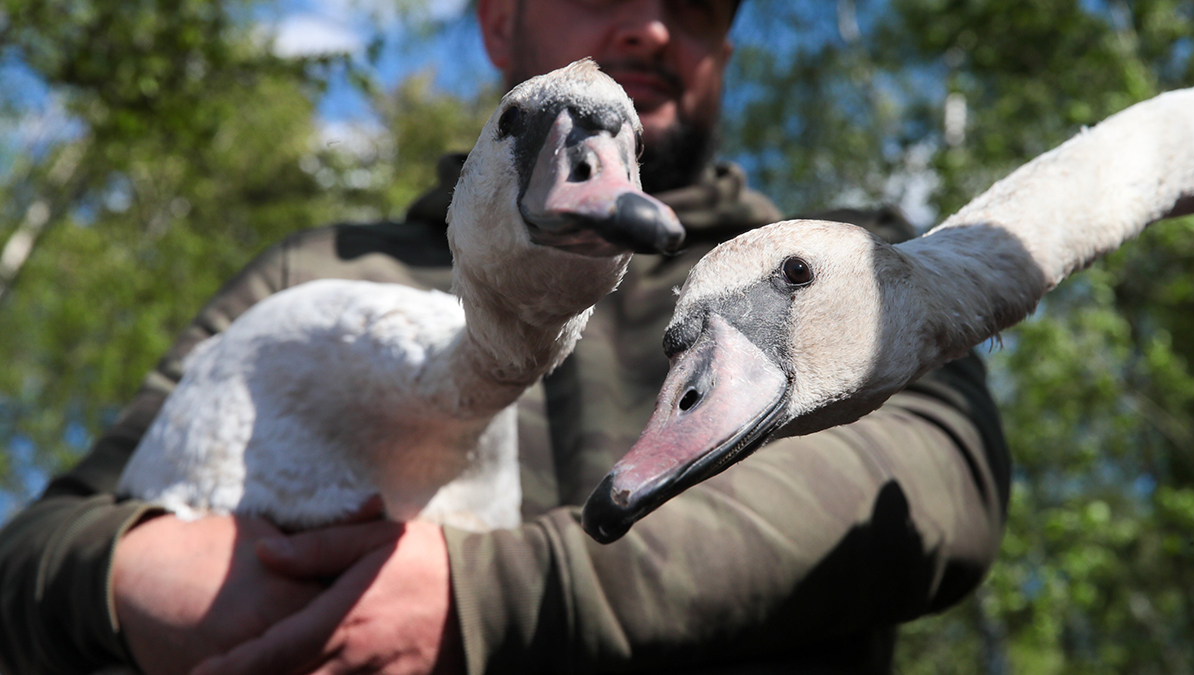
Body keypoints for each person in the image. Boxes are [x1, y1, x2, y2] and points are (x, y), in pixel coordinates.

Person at [0, 1, 1010, 674]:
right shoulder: (315, 273)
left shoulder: (838, 260)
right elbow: (38, 549)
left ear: (727, 53)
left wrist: (483, 596)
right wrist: (129, 576)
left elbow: (933, 480)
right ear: (497, 20)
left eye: (699, 2)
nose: (654, 23)